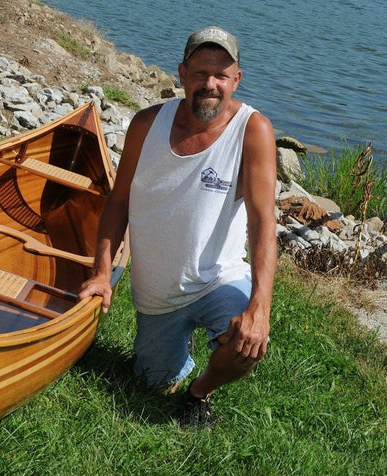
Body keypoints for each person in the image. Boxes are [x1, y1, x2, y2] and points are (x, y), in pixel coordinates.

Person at [78, 26, 277, 427]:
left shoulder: (253, 131)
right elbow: (118, 202)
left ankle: (199, 391)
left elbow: (263, 223)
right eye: (201, 73)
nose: (211, 84)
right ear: (182, 73)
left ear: (236, 79)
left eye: (221, 75)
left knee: (248, 348)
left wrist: (259, 307)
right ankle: (173, 352)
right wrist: (101, 272)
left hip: (218, 279)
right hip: (157, 295)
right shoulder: (146, 125)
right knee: (152, 382)